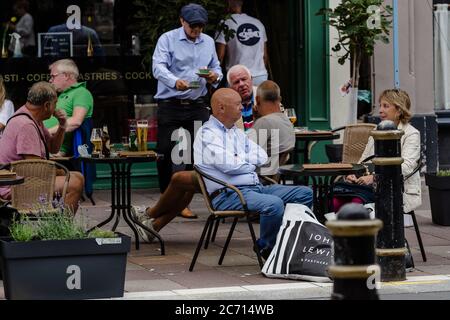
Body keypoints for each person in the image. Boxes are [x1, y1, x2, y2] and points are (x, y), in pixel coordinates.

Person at [194, 88, 312, 258]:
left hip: (255, 188)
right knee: (273, 204)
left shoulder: (235, 132)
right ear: (221, 108)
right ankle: (267, 248)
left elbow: (262, 156)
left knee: (304, 193)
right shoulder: (207, 134)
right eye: (237, 104)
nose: (242, 107)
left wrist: (240, 158)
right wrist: (249, 162)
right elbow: (229, 166)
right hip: (228, 194)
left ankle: (288, 242)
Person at [152, 3, 222, 219]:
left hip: (197, 104)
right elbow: (157, 67)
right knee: (164, 152)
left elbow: (217, 68)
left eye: (200, 27)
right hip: (170, 104)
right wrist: (175, 82)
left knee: (196, 154)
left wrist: (214, 77)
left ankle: (183, 202)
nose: (197, 31)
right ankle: (165, 198)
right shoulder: (167, 39)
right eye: (193, 27)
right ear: (182, 21)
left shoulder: (208, 42)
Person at [333, 89, 422, 215]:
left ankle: (358, 234)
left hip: (397, 189)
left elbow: (406, 167)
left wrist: (374, 178)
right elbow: (364, 160)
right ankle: (337, 234)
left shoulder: (411, 134)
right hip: (369, 188)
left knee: (355, 203)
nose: (380, 110)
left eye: (386, 106)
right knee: (335, 201)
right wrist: (354, 174)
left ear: (399, 110)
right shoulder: (377, 130)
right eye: (380, 105)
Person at [0, 82, 84, 213]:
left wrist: (62, 125)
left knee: (77, 177)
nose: (56, 107)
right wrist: (63, 172)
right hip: (15, 187)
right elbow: (36, 168)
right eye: (55, 103)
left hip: (24, 179)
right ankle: (62, 229)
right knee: (75, 183)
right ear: (47, 105)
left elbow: (53, 148)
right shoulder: (26, 125)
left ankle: (60, 226)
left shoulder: (33, 119)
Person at [43, 59, 94, 157]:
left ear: (66, 76)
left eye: (53, 76)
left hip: (54, 150)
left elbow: (76, 121)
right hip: (43, 145)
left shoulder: (81, 92)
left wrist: (45, 133)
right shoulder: (61, 95)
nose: (50, 80)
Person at [248, 80, 295, 180]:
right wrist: (257, 119)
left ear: (257, 99)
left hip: (256, 179)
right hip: (270, 178)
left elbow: (246, 152)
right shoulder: (287, 122)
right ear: (280, 99)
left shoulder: (264, 122)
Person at [216, 0, 269, 86]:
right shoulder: (258, 23)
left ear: (228, 4)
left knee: (235, 100)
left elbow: (220, 56)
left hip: (237, 78)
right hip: (260, 76)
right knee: (258, 99)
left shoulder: (225, 24)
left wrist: (215, 80)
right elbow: (265, 56)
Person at [227, 64, 257, 131]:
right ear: (230, 87)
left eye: (244, 79)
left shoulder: (265, 96)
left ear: (251, 79)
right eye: (236, 82)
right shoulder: (227, 106)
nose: (241, 84)